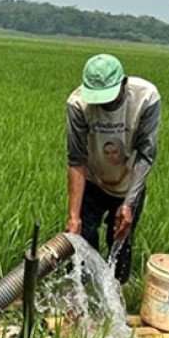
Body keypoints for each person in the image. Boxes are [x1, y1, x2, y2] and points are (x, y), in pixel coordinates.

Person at [66, 54, 161, 283]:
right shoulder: (78, 104)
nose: (103, 104)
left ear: (124, 83)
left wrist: (128, 203)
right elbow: (77, 159)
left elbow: (146, 155)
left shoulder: (146, 97)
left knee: (120, 242)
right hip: (93, 180)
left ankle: (115, 299)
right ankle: (78, 300)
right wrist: (73, 217)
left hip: (129, 183)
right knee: (81, 240)